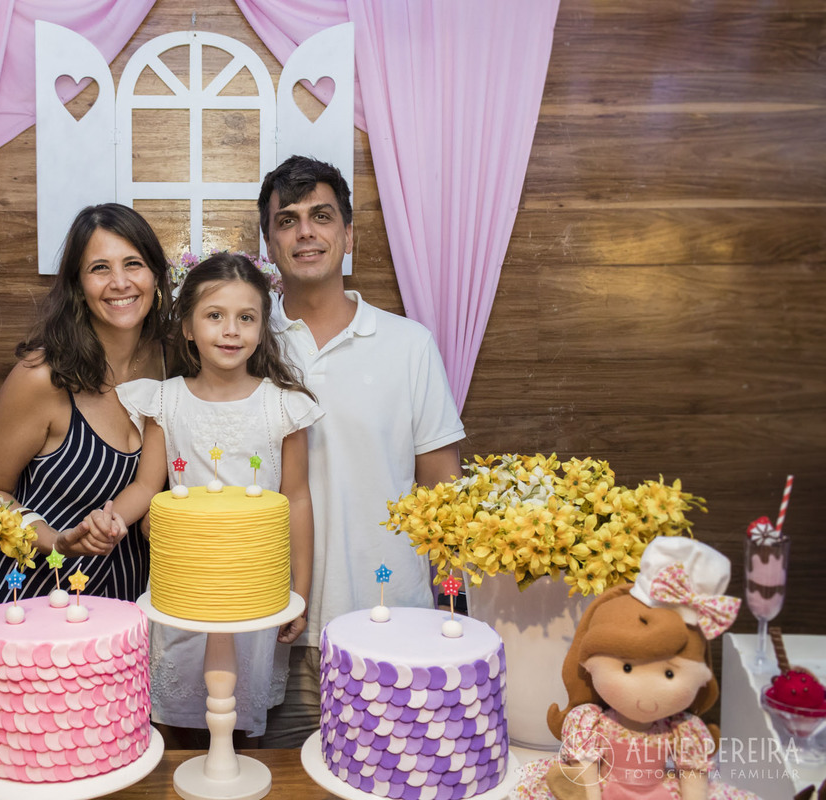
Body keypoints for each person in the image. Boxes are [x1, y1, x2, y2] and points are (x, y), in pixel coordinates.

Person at [257, 155, 466, 747]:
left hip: (392, 622)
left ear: (348, 234)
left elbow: (442, 493)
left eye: (321, 216)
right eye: (288, 220)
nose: (305, 232)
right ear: (269, 242)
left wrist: (450, 617)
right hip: (277, 630)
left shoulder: (408, 345)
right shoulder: (242, 342)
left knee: (393, 779)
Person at [83, 252, 321, 742]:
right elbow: (147, 488)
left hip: (254, 597)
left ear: (262, 327)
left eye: (246, 317)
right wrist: (111, 520)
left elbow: (296, 499)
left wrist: (300, 593)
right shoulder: (165, 400)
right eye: (215, 316)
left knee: (239, 729)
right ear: (188, 327)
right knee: (174, 727)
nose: (230, 330)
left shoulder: (282, 405)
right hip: (184, 596)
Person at [0, 202, 171, 616]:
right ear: (78, 285)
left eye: (133, 263)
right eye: (99, 268)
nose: (119, 282)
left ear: (155, 276)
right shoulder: (42, 377)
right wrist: (55, 539)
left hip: (127, 606)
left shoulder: (174, 365)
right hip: (31, 603)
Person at [515, 538, 759, 799]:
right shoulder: (592, 722)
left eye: (669, 673)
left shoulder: (684, 729)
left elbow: (692, 779)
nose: (646, 691)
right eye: (628, 668)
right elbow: (586, 775)